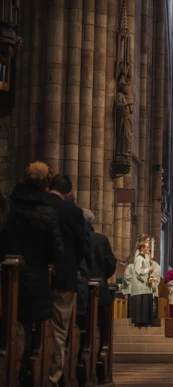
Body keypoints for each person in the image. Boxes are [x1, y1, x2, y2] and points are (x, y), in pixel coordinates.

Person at [0, 161, 64, 386]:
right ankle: (21, 375)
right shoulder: (47, 212)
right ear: (46, 183)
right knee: (26, 330)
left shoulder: (8, 205)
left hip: (4, 277)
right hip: (35, 282)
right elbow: (57, 253)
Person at [46, 174, 91, 386]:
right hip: (64, 279)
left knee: (27, 324)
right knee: (58, 328)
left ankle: (25, 372)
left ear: (49, 189)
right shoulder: (73, 212)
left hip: (31, 276)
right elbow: (82, 247)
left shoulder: (35, 204)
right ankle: (52, 377)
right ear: (69, 193)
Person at [131, 241, 154, 326]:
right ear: (142, 248)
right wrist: (148, 270)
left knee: (145, 304)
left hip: (145, 285)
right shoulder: (139, 259)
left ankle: (145, 321)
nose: (148, 249)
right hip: (140, 286)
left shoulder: (144, 258)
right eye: (147, 247)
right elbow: (138, 271)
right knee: (141, 304)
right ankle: (140, 322)